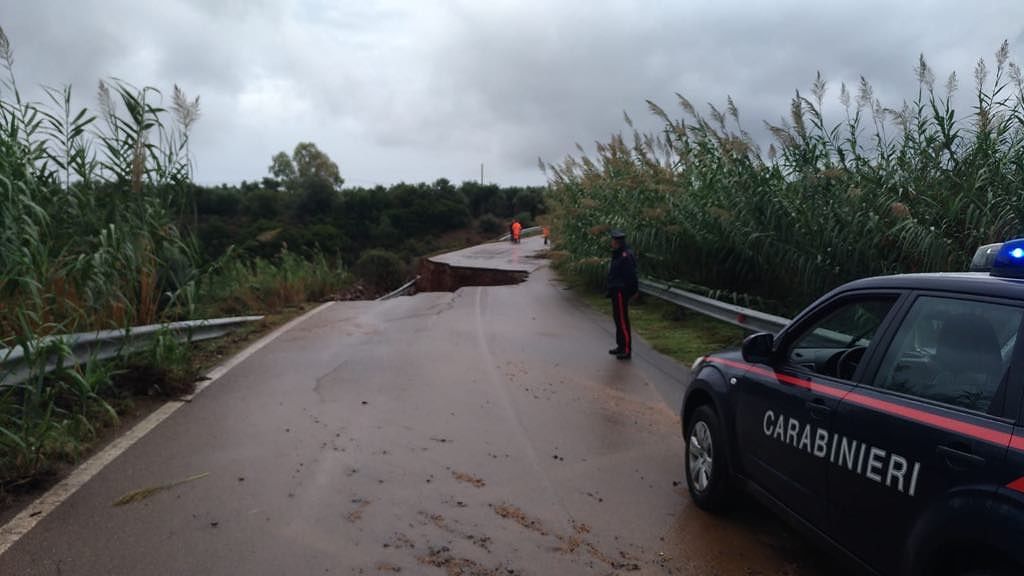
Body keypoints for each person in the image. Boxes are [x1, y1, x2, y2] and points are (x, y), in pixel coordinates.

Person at [606, 229, 638, 360]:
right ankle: (620, 345)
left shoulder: (625, 256)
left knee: (623, 320)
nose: (611, 243)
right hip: (615, 290)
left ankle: (626, 349)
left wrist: (633, 291)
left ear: (617, 242)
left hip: (621, 291)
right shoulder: (618, 254)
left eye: (613, 241)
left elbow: (631, 276)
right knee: (617, 319)